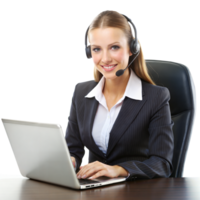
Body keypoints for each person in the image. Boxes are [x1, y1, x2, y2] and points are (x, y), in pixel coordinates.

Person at [65, 10, 174, 181]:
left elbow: (162, 163)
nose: (105, 58)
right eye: (96, 49)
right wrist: (69, 161)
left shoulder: (156, 97)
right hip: (94, 190)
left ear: (132, 48)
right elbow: (73, 149)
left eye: (114, 47)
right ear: (89, 52)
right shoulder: (81, 92)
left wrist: (118, 169)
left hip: (137, 192)